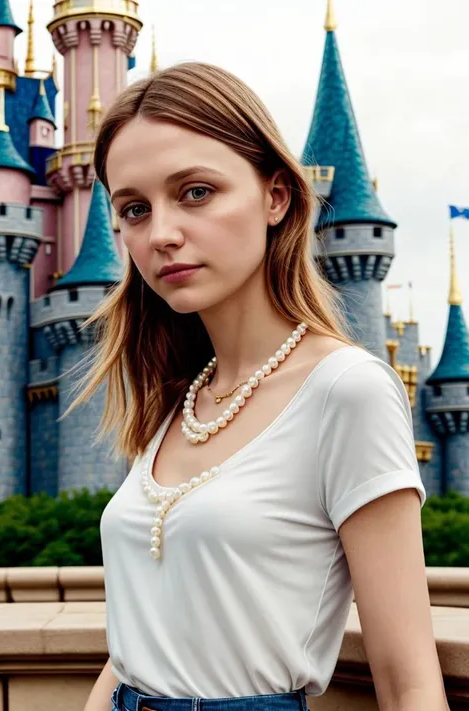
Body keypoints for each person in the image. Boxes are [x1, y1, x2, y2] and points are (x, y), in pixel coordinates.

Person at [75, 63, 449, 711]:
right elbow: (142, 638)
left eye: (195, 192)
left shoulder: (347, 391)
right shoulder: (181, 398)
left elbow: (409, 679)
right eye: (134, 208)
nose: (160, 232)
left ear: (276, 195)